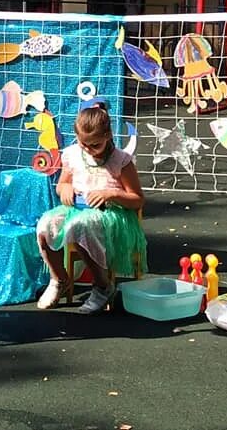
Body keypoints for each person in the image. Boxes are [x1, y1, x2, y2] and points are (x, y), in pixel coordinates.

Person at [35, 103, 147, 313]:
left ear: (108, 136)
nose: (88, 149)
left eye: (95, 145)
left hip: (112, 213)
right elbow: (62, 183)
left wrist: (112, 193)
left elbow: (137, 199)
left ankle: (103, 286)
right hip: (78, 208)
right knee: (45, 225)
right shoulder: (72, 154)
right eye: (83, 144)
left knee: (81, 226)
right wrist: (65, 188)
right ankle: (59, 279)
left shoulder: (120, 160)